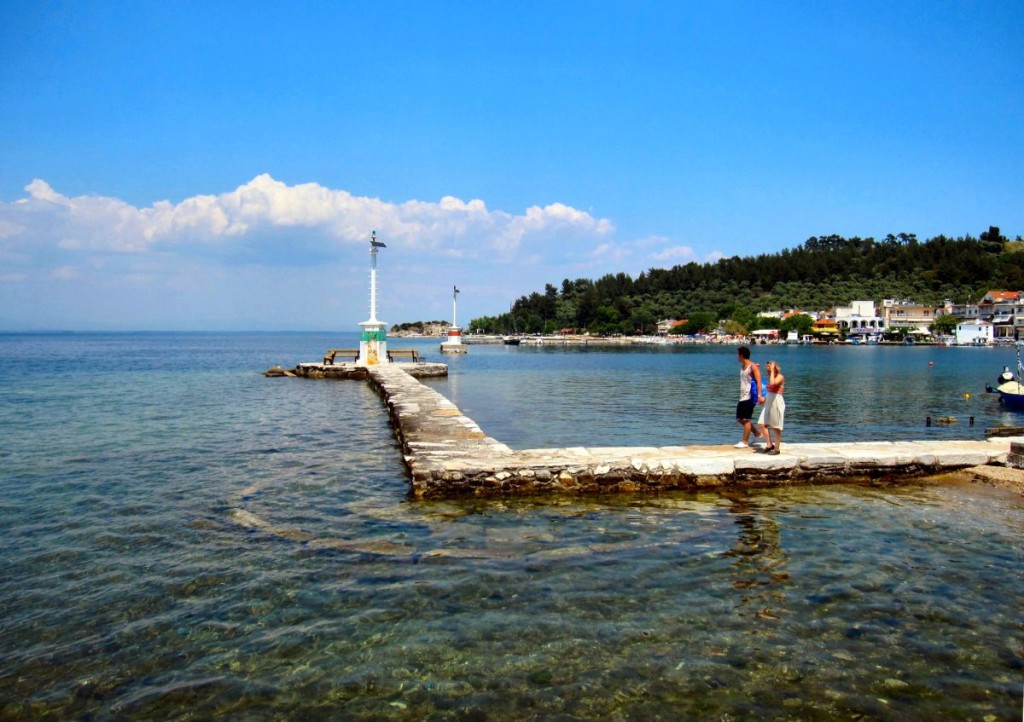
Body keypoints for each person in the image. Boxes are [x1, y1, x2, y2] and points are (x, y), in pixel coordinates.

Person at [734, 346, 764, 448]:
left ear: (741, 355)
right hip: (742, 396)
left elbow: (759, 381)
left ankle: (745, 442)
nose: (737, 357)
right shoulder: (743, 366)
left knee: (746, 419)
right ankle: (757, 433)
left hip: (750, 396)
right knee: (739, 419)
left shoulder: (752, 367)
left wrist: (760, 396)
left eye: (738, 355)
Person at [756, 360, 786, 454]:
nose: (767, 370)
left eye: (769, 368)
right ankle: (769, 445)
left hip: (776, 402)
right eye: (767, 368)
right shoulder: (771, 377)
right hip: (769, 402)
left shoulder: (780, 377)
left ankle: (776, 449)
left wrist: (773, 371)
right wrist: (764, 399)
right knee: (761, 423)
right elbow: (771, 392)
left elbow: (773, 384)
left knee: (775, 426)